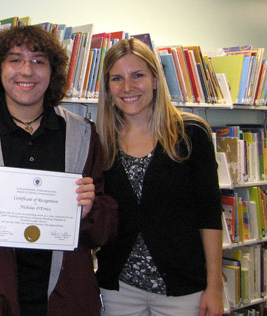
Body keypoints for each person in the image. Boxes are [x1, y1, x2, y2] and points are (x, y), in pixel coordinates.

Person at [0, 26, 118, 316]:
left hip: (64, 300)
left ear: (53, 71)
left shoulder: (82, 135)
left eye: (39, 61)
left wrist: (89, 210)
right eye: (15, 59)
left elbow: (105, 229)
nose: (27, 71)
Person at [95, 38, 223, 316]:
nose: (127, 87)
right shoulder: (100, 141)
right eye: (117, 78)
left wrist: (214, 287)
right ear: (107, 87)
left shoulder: (191, 135)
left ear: (155, 80)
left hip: (182, 289)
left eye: (137, 75)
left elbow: (209, 215)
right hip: (119, 289)